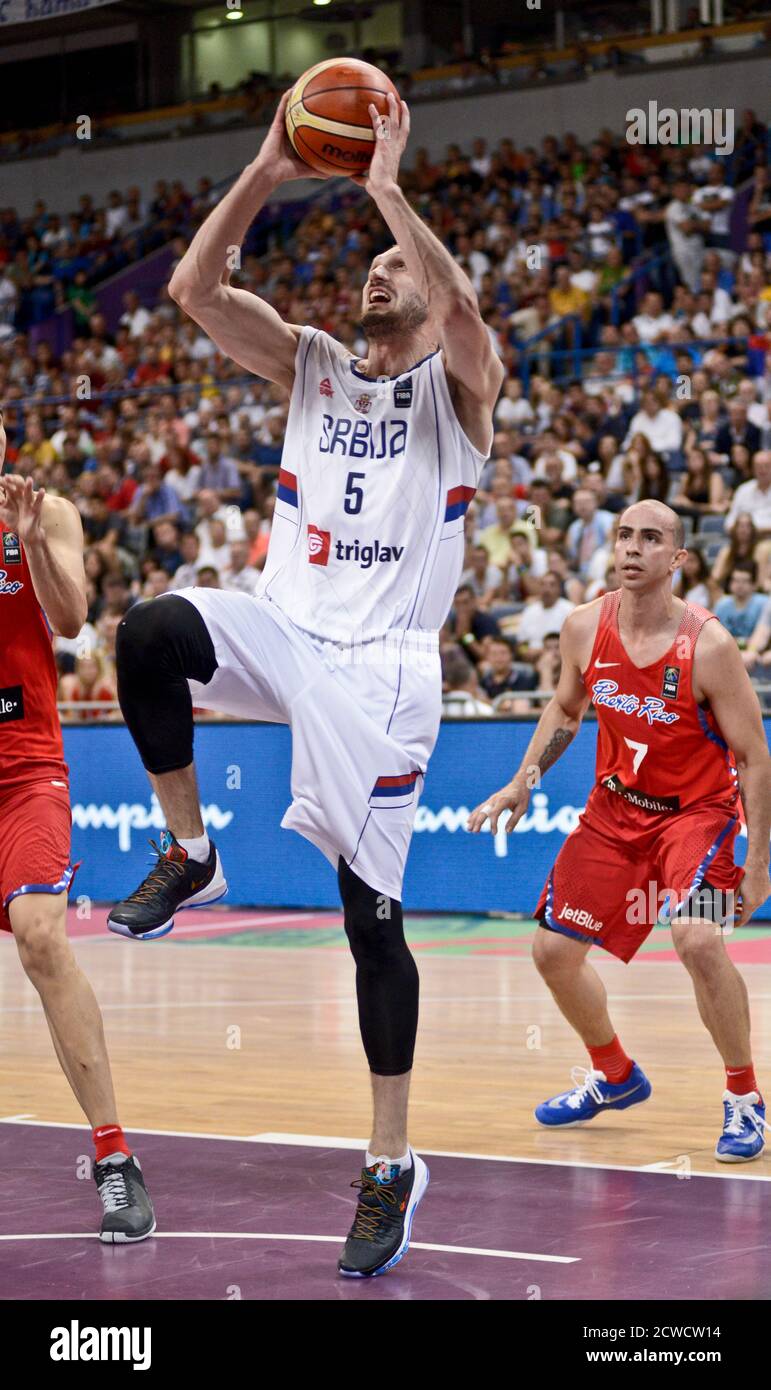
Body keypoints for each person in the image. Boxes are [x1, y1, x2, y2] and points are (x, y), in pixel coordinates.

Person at [106, 90, 502, 1278]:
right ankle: (194, 848)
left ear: (429, 292)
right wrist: (271, 165)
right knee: (149, 634)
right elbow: (191, 290)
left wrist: (387, 185)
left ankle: (389, 1164)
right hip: (287, 627)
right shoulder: (314, 364)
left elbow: (469, 308)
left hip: (383, 673)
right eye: (374, 264)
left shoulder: (464, 392)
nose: (380, 275)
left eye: (399, 267)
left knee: (369, 923)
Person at [469, 499, 771, 1161]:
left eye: (651, 538)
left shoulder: (709, 645)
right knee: (550, 953)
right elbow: (564, 709)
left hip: (699, 819)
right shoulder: (582, 627)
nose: (633, 548)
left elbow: (753, 757)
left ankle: (745, 1100)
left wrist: (755, 867)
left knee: (695, 937)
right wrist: (524, 778)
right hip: (612, 814)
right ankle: (615, 1076)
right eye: (624, 536)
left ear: (677, 558)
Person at [0, 414, 155, 1241]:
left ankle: (114, 1158)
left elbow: (70, 620)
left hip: (25, 764)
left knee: (39, 935)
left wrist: (27, 545)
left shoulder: (45, 510)